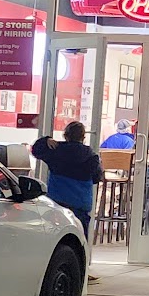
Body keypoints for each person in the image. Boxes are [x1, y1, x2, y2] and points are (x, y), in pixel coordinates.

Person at [32, 121, 103, 283]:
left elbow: (36, 150)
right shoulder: (91, 156)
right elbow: (96, 177)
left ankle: (58, 271)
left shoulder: (56, 151)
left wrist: (46, 140)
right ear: (83, 137)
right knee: (81, 238)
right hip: (80, 202)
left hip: (58, 202)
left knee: (58, 240)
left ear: (65, 135)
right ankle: (82, 273)